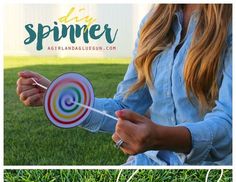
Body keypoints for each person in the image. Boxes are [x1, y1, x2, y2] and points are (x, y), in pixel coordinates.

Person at [16, 4, 232, 166]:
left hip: (212, 170)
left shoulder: (228, 23)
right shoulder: (153, 22)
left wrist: (159, 136)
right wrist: (57, 98)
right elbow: (125, 106)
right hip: (149, 162)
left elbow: (229, 124)